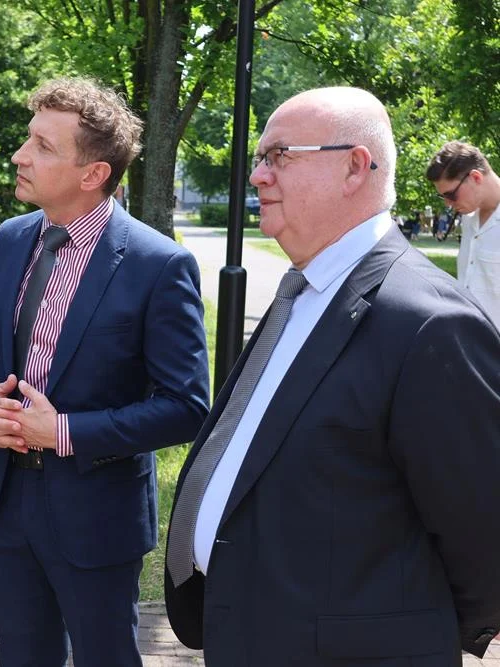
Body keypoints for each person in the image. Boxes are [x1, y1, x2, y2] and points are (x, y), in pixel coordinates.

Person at [164, 87, 500, 665]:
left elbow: (484, 539)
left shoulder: (431, 322)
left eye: (279, 156)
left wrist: (397, 635)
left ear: (354, 167)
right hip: (249, 634)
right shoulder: (305, 289)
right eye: (260, 159)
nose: (258, 176)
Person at [0, 78, 210, 666]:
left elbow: (186, 406)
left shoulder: (159, 264)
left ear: (93, 173)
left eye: (43, 147)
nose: (19, 155)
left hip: (98, 513)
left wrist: (63, 431)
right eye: (28, 138)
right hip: (8, 501)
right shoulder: (12, 239)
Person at [426, 141, 500, 326]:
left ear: (475, 177)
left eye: (451, 195)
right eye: (443, 197)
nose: (448, 204)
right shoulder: (469, 217)